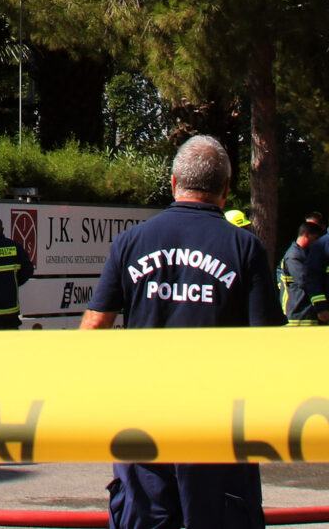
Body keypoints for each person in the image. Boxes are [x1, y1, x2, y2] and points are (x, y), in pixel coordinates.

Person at [82, 136, 281, 529]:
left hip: (143, 418)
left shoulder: (130, 243)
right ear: (226, 189)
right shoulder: (245, 247)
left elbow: (94, 327)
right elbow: (269, 343)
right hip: (219, 423)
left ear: (173, 183)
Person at [279, 215, 325, 324]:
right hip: (298, 315)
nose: (317, 243)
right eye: (316, 239)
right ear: (306, 235)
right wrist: (321, 306)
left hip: (306, 312)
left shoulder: (303, 254)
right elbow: (304, 281)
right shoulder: (293, 256)